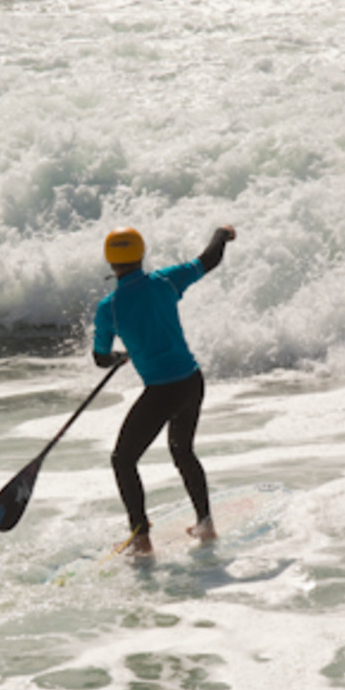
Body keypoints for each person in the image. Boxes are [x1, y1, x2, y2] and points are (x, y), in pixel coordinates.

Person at [92, 224, 237, 556]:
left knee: (123, 460)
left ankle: (140, 538)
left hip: (161, 392)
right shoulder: (166, 281)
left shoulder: (109, 308)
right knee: (182, 451)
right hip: (191, 382)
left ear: (110, 261)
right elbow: (209, 259)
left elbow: (101, 359)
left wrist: (120, 356)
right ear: (141, 254)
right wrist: (220, 233)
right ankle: (205, 523)